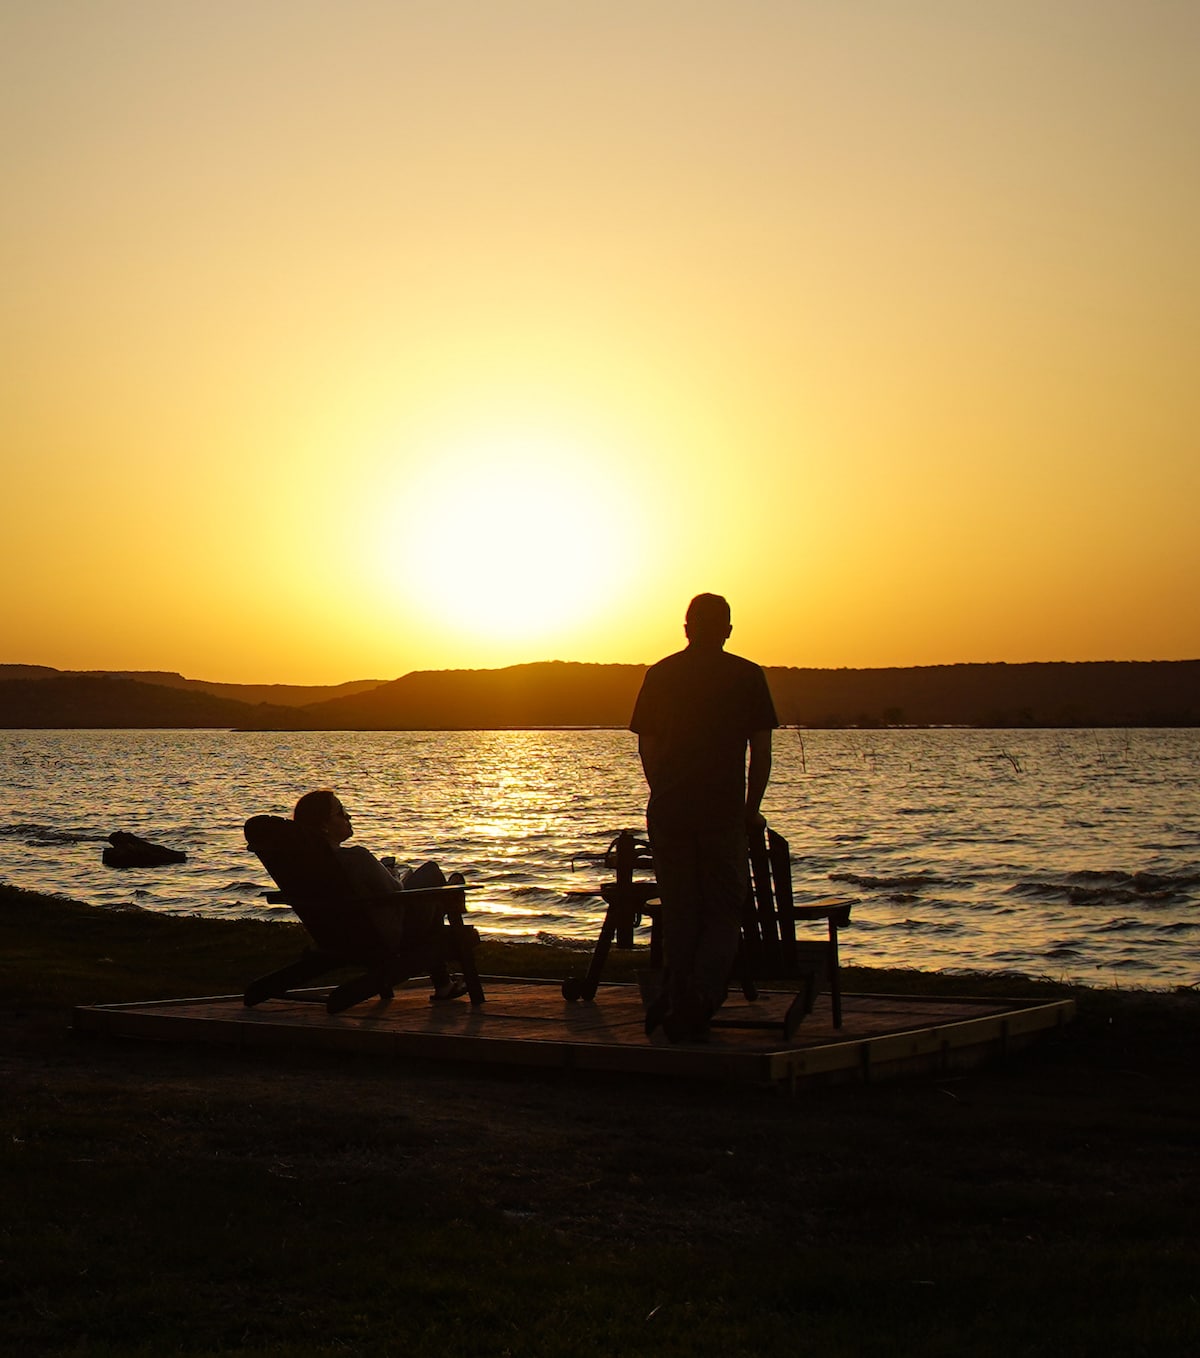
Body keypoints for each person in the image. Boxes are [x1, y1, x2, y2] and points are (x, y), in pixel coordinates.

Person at [629, 593, 778, 1041]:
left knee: (681, 909)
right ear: (728, 630)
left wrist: (661, 792)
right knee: (723, 909)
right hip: (722, 811)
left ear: (687, 627)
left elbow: (647, 747)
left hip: (671, 810)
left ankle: (679, 997)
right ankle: (698, 1000)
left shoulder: (661, 674)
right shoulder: (747, 676)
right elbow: (761, 752)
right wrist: (750, 810)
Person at [292, 789, 468, 1001]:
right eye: (340, 812)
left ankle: (444, 984)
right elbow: (396, 893)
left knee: (434, 892)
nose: (348, 816)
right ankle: (444, 982)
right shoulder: (357, 857)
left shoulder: (308, 866)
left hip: (338, 937)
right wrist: (394, 877)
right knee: (432, 873)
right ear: (323, 825)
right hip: (386, 935)